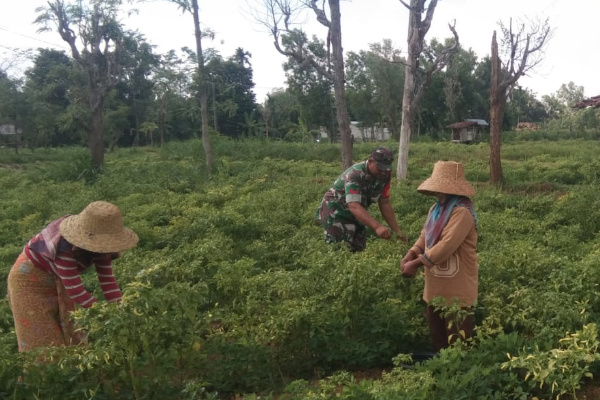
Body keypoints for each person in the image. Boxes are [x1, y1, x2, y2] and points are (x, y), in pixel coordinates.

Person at [7, 201, 139, 352]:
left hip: (58, 278)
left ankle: (73, 366)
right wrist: (104, 313)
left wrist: (120, 310)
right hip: (28, 281)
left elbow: (108, 281)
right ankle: (48, 368)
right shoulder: (65, 248)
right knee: (44, 342)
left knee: (72, 335)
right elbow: (77, 292)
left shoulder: (103, 247)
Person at [400, 161, 478, 352]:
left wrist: (416, 264)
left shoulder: (462, 212)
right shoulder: (435, 210)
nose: (436, 192)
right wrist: (411, 253)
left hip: (457, 289)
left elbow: (445, 246)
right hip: (435, 286)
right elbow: (424, 237)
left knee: (458, 341)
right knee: (438, 339)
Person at [315, 146, 408, 252]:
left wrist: (397, 231)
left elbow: (384, 202)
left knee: (359, 249)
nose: (383, 172)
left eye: (386, 169)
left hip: (358, 213)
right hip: (336, 212)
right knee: (338, 250)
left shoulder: (385, 175)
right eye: (380, 168)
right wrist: (377, 227)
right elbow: (353, 206)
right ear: (370, 161)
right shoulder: (355, 174)